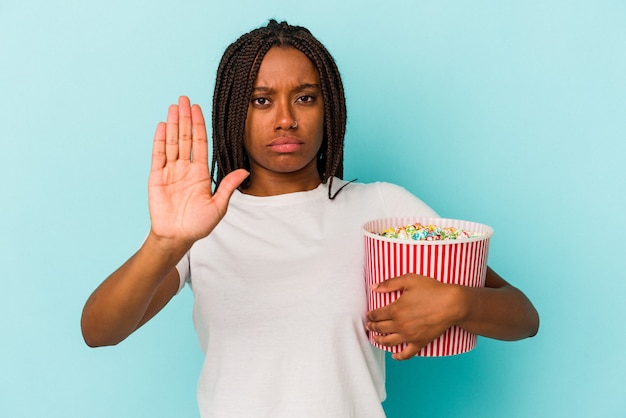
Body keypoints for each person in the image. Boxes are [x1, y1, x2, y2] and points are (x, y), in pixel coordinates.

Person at [81, 20, 539, 417]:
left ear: (330, 107)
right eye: (261, 101)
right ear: (233, 112)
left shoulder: (379, 209)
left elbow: (523, 315)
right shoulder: (203, 222)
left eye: (304, 97)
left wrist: (460, 303)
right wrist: (165, 242)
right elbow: (99, 331)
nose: (285, 119)